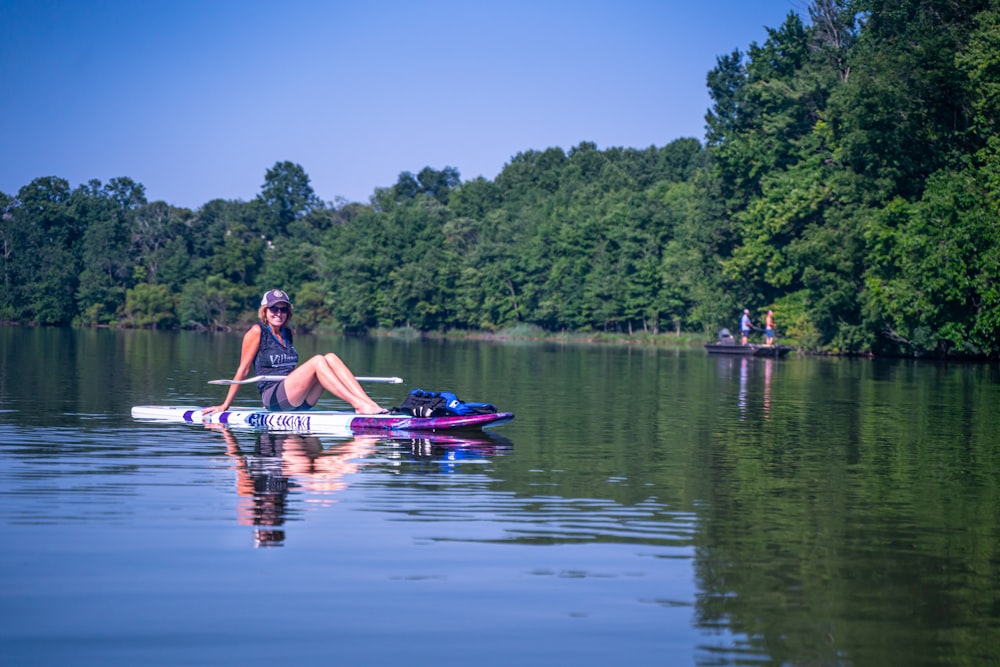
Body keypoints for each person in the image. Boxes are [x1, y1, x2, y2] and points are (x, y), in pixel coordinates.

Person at [203, 289, 386, 416]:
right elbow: (242, 371)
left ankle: (369, 404)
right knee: (317, 361)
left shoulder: (288, 332)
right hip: (274, 398)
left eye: (283, 309)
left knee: (330, 357)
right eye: (274, 309)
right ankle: (358, 405)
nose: (278, 313)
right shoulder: (257, 332)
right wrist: (225, 405)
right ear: (265, 311)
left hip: (299, 398)